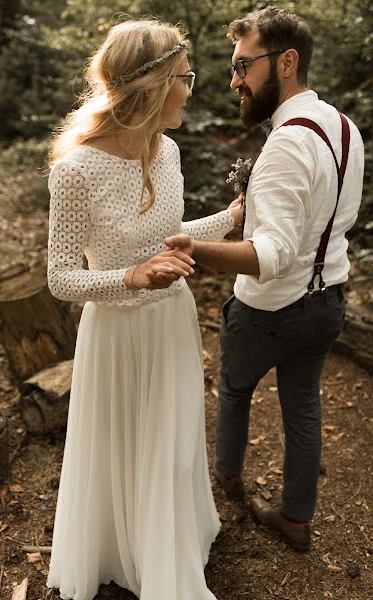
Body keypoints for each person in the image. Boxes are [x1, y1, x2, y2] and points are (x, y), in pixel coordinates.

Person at [46, 18, 242, 600]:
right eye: (185, 77)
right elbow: (60, 278)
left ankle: (168, 542)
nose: (192, 88)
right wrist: (131, 276)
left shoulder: (169, 149)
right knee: (128, 444)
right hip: (117, 334)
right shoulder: (75, 169)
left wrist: (232, 217)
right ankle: (124, 548)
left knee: (172, 445)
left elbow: (169, 236)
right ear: (152, 84)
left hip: (171, 322)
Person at [163, 6, 364, 552]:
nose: (234, 81)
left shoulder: (284, 147)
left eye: (243, 66)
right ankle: (297, 518)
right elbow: (329, 219)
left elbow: (271, 254)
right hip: (328, 303)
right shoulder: (345, 128)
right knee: (302, 404)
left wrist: (193, 248)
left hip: (269, 310)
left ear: (287, 61)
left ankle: (227, 479)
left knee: (233, 388)